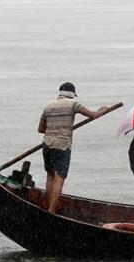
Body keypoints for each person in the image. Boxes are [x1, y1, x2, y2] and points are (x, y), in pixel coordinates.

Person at [37, 82, 109, 214]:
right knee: (59, 178)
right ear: (72, 94)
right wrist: (103, 110)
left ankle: (47, 206)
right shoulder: (73, 104)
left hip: (47, 144)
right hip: (62, 145)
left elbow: (41, 129)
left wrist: (55, 127)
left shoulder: (48, 106)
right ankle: (52, 211)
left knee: (50, 176)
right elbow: (93, 115)